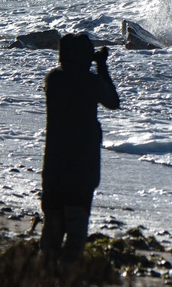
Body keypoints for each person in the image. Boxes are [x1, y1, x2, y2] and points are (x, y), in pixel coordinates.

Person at [40, 33, 120, 265]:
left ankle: (44, 277)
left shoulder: (53, 79)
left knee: (51, 236)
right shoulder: (90, 82)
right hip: (81, 170)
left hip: (54, 167)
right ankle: (66, 278)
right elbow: (113, 101)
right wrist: (102, 66)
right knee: (75, 235)